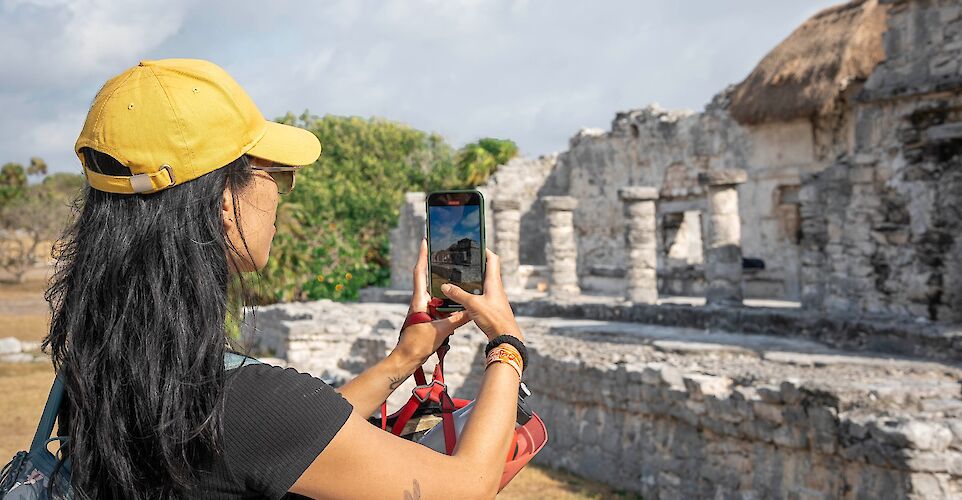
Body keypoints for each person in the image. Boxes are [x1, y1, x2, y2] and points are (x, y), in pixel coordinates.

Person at [43, 58, 527, 499]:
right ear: (224, 203)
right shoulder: (246, 402)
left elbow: (295, 435)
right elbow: (465, 488)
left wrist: (403, 359)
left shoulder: (110, 358)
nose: (281, 196)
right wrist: (506, 344)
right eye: (277, 176)